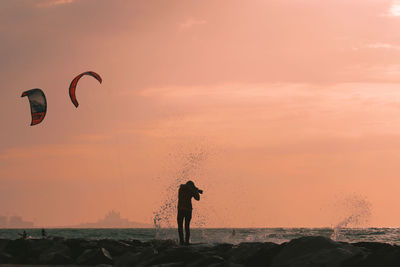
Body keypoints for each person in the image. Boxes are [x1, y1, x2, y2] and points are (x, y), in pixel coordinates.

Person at [177, 180, 203, 245]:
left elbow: (197, 198)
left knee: (180, 226)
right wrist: (196, 190)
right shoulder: (190, 190)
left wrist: (195, 190)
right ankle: (186, 242)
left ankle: (181, 241)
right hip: (188, 210)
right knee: (187, 226)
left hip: (181, 209)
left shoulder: (181, 188)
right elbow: (197, 198)